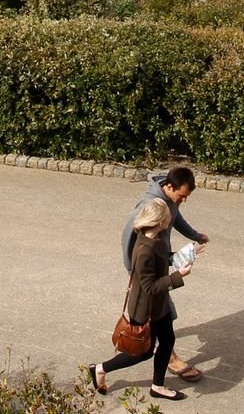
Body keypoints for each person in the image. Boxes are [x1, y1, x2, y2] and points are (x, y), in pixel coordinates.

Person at [89, 199, 192, 401]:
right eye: (168, 218)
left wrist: (183, 255)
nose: (171, 219)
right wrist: (178, 276)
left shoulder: (157, 238)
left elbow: (163, 258)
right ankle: (101, 369)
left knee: (168, 340)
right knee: (143, 352)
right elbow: (150, 287)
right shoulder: (143, 250)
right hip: (145, 309)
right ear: (160, 221)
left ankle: (158, 386)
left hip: (159, 306)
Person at [119, 167, 207, 384]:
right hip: (146, 270)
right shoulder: (148, 205)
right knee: (161, 310)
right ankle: (170, 358)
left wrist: (194, 236)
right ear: (169, 186)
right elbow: (127, 237)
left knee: (162, 313)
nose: (183, 200)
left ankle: (163, 353)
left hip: (159, 262)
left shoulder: (170, 201)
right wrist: (135, 270)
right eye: (182, 196)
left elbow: (176, 218)